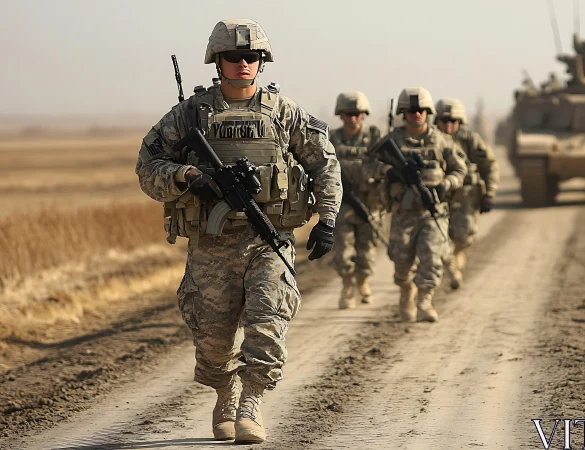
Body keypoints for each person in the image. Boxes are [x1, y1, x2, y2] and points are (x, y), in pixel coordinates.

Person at [135, 19, 341, 444]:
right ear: (218, 61)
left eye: (252, 56)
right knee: (211, 346)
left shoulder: (283, 112)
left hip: (269, 240)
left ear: (261, 61)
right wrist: (186, 174)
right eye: (234, 57)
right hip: (211, 246)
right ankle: (225, 390)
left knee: (267, 326)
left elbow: (325, 163)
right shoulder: (189, 115)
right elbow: (147, 168)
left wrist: (328, 219)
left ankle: (250, 403)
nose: (243, 63)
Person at [382, 87, 467, 322]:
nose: (416, 114)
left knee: (431, 258)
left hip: (434, 212)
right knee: (401, 263)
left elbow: (460, 168)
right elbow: (369, 165)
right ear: (403, 112)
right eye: (411, 111)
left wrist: (447, 184)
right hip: (403, 213)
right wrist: (390, 172)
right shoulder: (392, 140)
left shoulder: (441, 140)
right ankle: (406, 291)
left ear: (428, 112)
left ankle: (424, 301)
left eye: (420, 110)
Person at [434, 98, 499, 289]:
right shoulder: (430, 140)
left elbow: (489, 165)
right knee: (438, 235)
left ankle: (455, 255)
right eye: (444, 121)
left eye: (453, 121)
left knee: (463, 237)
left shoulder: (470, 141)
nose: (448, 125)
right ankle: (451, 266)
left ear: (460, 123)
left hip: (465, 197)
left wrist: (490, 192)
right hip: (437, 196)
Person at [328, 91, 384, 309]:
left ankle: (363, 282)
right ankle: (347, 285)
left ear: (364, 115)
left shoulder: (374, 137)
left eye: (357, 114)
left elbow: (384, 165)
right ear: (341, 115)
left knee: (367, 252)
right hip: (342, 203)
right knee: (342, 252)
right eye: (348, 114)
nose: (353, 118)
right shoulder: (332, 139)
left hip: (370, 202)